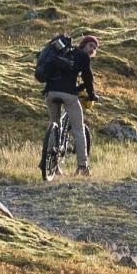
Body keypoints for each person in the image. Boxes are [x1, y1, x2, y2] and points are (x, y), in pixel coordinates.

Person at [36, 31, 100, 175]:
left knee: (54, 125)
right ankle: (83, 167)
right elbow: (87, 77)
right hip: (69, 95)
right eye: (90, 45)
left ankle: (52, 165)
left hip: (50, 93)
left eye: (95, 48)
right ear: (83, 45)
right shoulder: (82, 56)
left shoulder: (62, 52)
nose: (92, 50)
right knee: (78, 128)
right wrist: (91, 94)